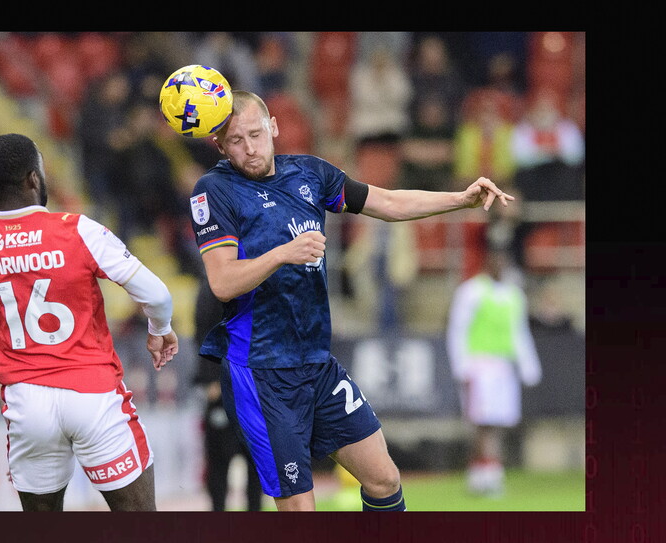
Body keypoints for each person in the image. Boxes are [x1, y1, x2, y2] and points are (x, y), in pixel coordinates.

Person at [189, 90, 515, 511]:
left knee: (384, 478)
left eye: (256, 134)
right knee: (300, 509)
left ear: (274, 127)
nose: (250, 148)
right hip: (261, 372)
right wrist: (284, 253)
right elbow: (222, 281)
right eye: (236, 140)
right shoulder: (214, 190)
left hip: (316, 364)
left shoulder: (310, 173)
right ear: (219, 145)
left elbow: (388, 202)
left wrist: (459, 200)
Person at [0, 133, 179, 511]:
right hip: (93, 396)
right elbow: (156, 296)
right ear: (33, 178)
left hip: (27, 407)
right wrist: (160, 329)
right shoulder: (78, 229)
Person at [446, 239, 541, 496]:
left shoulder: (514, 295)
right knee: (481, 421)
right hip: (480, 365)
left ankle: (483, 473)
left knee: (498, 421)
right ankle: (488, 474)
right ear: (487, 263)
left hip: (504, 366)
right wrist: (460, 364)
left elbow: (520, 332)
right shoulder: (471, 291)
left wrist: (528, 365)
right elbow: (458, 329)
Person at [192, 278, 262, 512]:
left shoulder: (258, 276)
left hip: (253, 385)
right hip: (222, 384)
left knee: (257, 459)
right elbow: (203, 332)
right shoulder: (212, 284)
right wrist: (209, 378)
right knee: (219, 460)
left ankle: (255, 516)